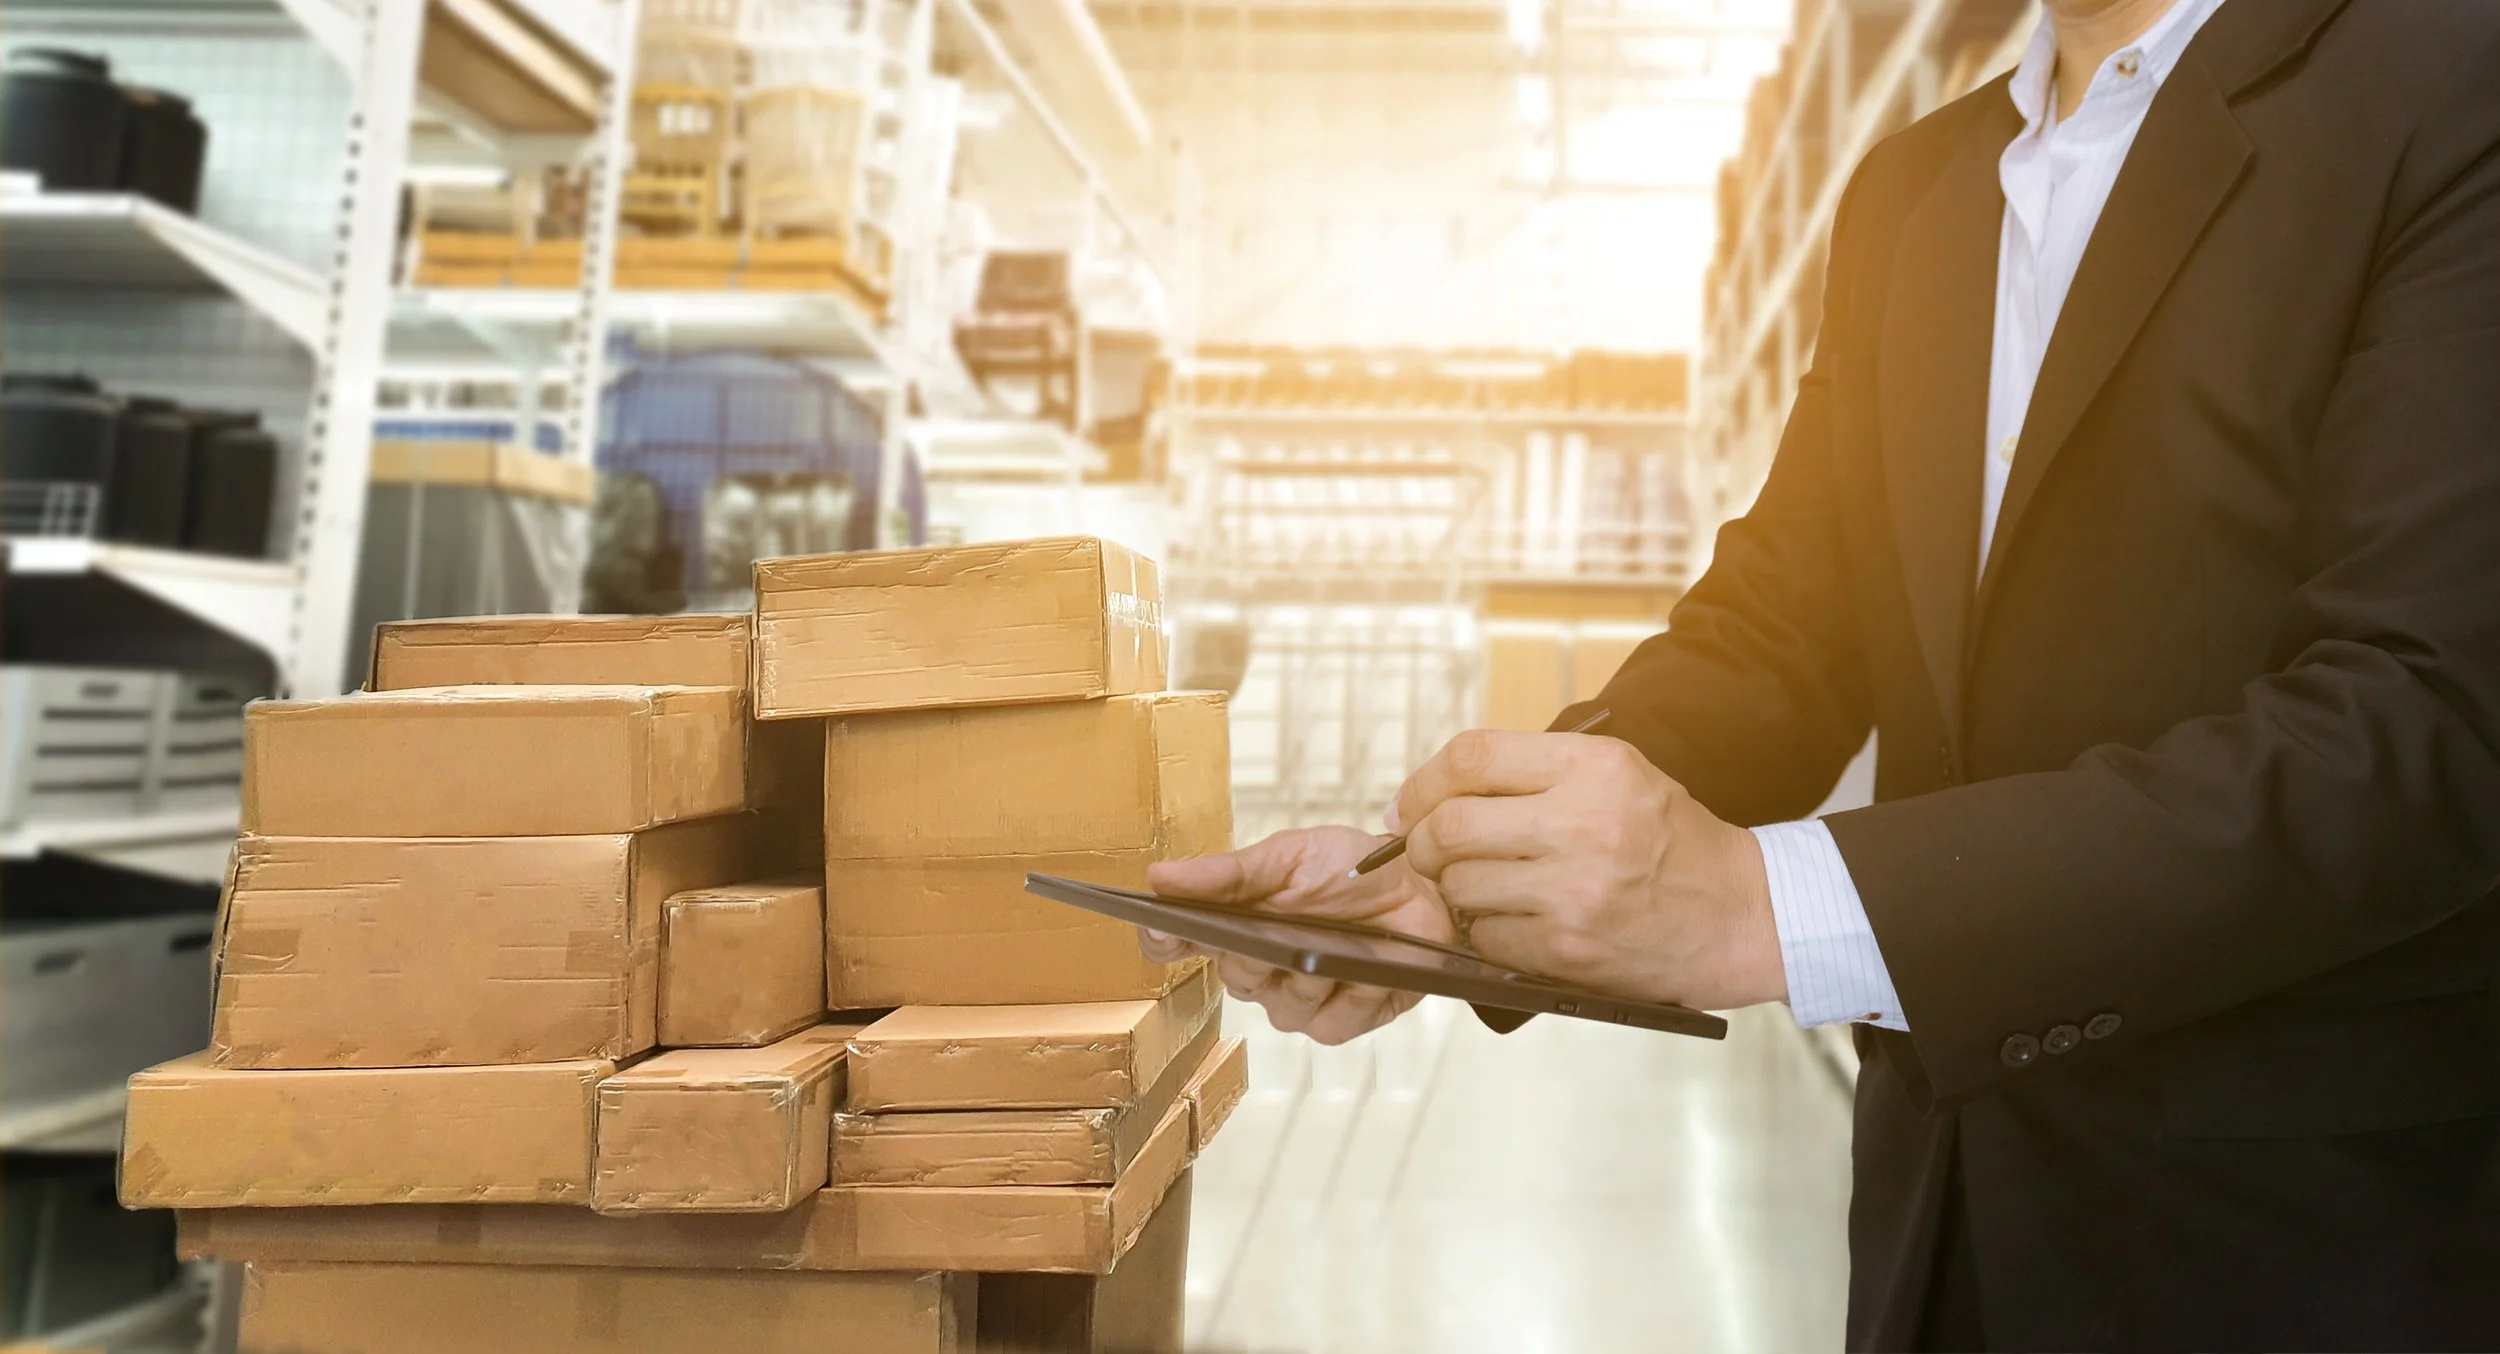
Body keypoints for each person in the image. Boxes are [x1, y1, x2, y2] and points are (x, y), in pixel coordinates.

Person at [1140, 0, 2500, 1347]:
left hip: (2295, 1246)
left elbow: (2429, 723)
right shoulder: (1915, 190)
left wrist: (1766, 906)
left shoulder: (2444, 82)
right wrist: (1457, 882)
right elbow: (1786, 629)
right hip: (1938, 1219)